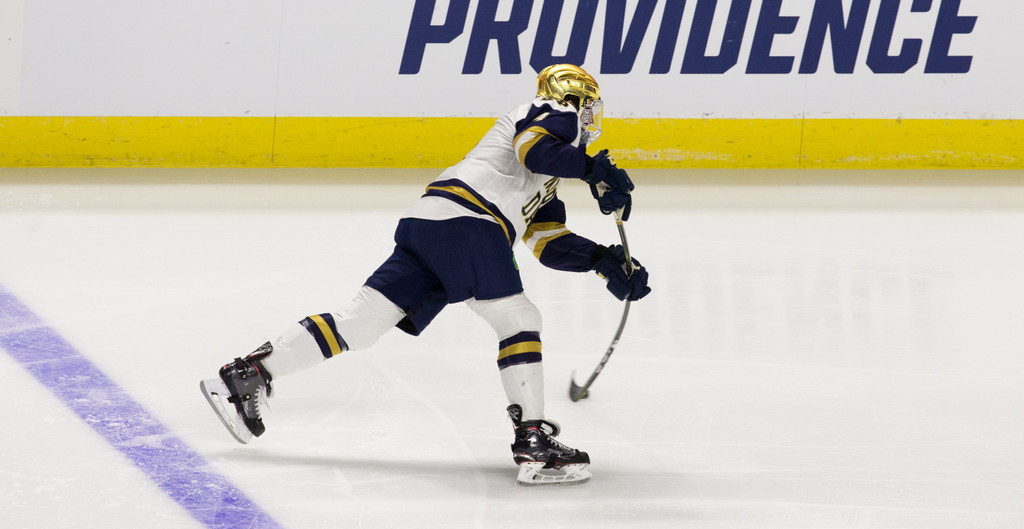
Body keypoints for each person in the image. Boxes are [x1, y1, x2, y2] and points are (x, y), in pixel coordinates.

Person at [200, 64, 652, 485]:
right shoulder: (554, 114)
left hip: (432, 221)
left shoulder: (550, 175)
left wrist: (603, 260)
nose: (592, 113)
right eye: (591, 102)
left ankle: (247, 374)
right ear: (576, 98)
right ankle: (534, 442)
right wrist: (593, 170)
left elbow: (547, 241)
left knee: (361, 324)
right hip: (472, 221)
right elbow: (534, 150)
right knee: (519, 320)